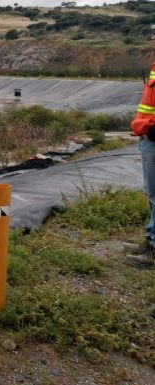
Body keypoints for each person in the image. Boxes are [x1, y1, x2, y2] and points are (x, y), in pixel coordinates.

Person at [125, 24, 155, 269]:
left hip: (153, 139)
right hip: (148, 138)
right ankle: (151, 241)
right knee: (153, 196)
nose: (152, 38)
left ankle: (153, 250)